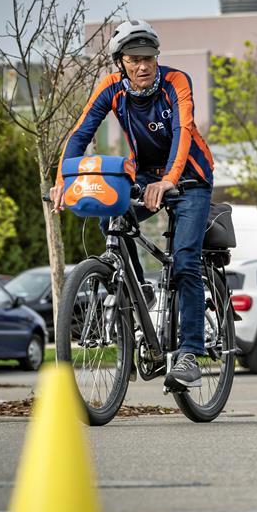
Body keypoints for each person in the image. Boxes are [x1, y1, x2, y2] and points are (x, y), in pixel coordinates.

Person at [50, 19, 215, 392]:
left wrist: (170, 180)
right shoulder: (111, 88)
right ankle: (141, 288)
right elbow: (80, 134)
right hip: (145, 175)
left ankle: (190, 353)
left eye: (149, 58)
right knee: (108, 212)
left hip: (189, 178)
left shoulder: (176, 82)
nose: (143, 66)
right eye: (134, 59)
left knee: (186, 260)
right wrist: (64, 180)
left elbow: (182, 132)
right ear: (120, 62)